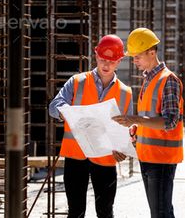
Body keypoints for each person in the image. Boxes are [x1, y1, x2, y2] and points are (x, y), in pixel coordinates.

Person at [49, 34, 133, 218]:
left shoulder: (126, 93)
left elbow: (129, 130)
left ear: (119, 61)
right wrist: (68, 113)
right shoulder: (77, 82)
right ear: (96, 56)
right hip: (76, 156)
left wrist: (124, 148)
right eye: (103, 59)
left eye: (111, 61)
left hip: (106, 158)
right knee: (76, 211)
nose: (106, 65)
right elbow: (54, 106)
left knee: (105, 212)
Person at [112, 28, 183, 218]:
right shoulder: (149, 80)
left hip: (161, 158)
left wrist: (135, 119)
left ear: (152, 52)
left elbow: (170, 121)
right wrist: (137, 129)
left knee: (160, 213)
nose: (134, 61)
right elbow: (151, 119)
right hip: (148, 156)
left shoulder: (168, 80)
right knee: (161, 212)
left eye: (137, 56)